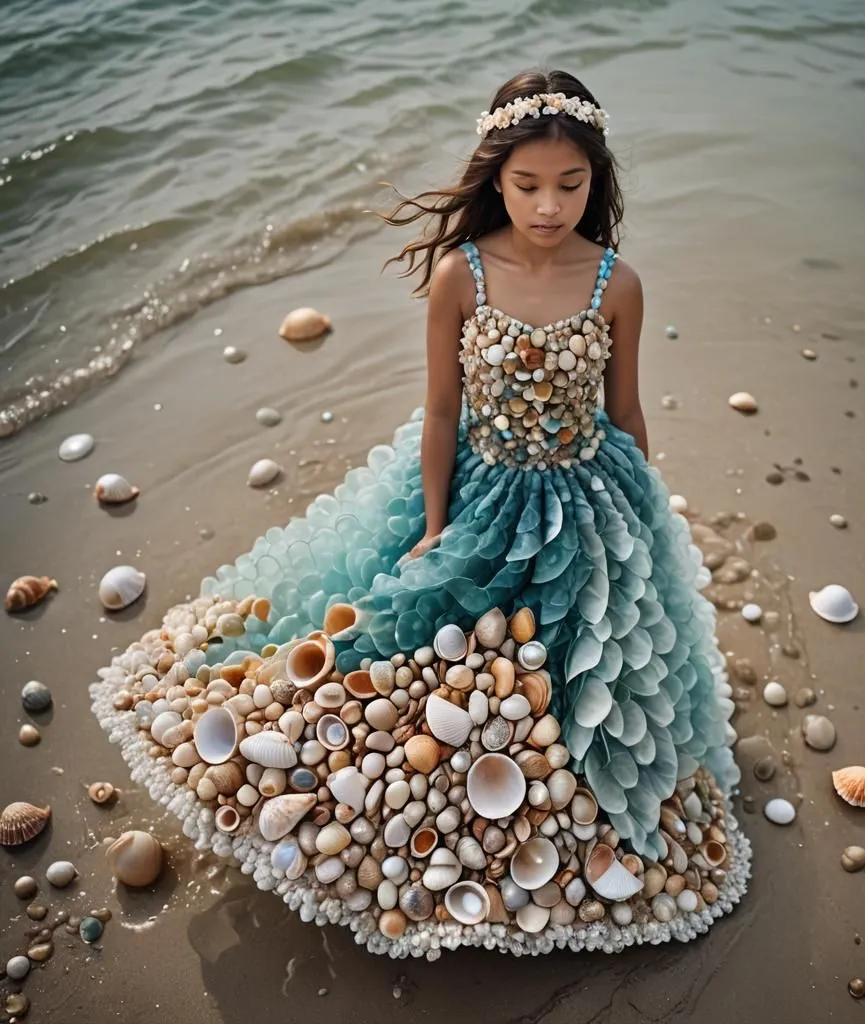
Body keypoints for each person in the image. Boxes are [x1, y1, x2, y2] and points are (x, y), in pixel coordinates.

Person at [190, 68, 748, 951]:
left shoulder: (616, 283)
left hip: (588, 492)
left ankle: (559, 827)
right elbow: (443, 409)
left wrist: (646, 509)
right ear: (495, 177)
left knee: (590, 674)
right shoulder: (462, 274)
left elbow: (626, 409)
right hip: (478, 489)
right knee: (411, 647)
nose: (548, 205)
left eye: (571, 185)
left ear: (597, 181)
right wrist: (437, 524)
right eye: (527, 185)